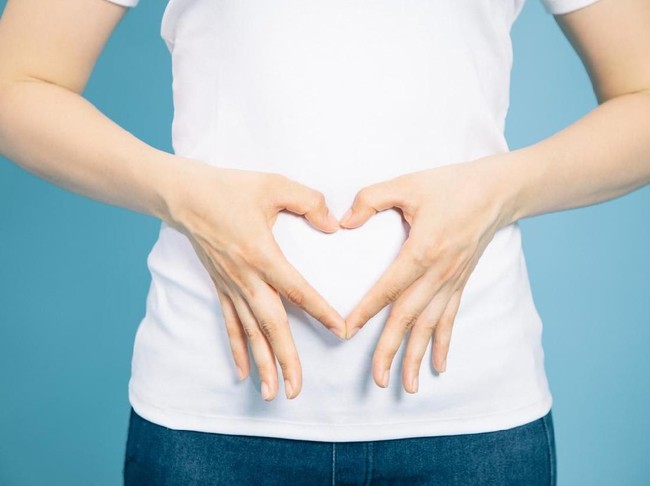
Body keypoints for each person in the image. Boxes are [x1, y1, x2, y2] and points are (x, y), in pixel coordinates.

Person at [0, 0, 648, 484]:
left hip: (473, 422)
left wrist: (501, 190)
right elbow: (17, 82)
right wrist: (183, 195)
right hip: (212, 418)